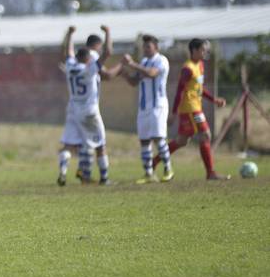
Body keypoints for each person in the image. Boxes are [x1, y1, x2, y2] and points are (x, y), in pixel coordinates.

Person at [151, 38, 229, 180]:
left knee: (181, 141)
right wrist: (174, 113)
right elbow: (180, 90)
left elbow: (198, 88)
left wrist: (214, 100)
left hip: (194, 107)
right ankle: (210, 173)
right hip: (190, 109)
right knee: (205, 135)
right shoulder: (187, 68)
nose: (205, 52)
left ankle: (154, 161)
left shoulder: (200, 65)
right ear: (194, 50)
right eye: (202, 50)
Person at [57, 25, 114, 186]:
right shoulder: (90, 69)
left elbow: (68, 51)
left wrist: (69, 34)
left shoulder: (70, 66)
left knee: (68, 144)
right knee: (100, 144)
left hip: (73, 108)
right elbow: (108, 52)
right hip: (89, 111)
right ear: (88, 59)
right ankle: (105, 177)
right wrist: (108, 33)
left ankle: (62, 172)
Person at [120, 34, 174, 184]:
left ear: (156, 47)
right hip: (143, 107)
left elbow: (151, 73)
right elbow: (135, 81)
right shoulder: (144, 61)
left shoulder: (161, 60)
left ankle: (168, 169)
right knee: (144, 140)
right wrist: (124, 74)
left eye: (148, 47)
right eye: (144, 47)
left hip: (158, 105)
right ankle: (149, 173)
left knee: (158, 138)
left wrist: (132, 64)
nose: (145, 49)